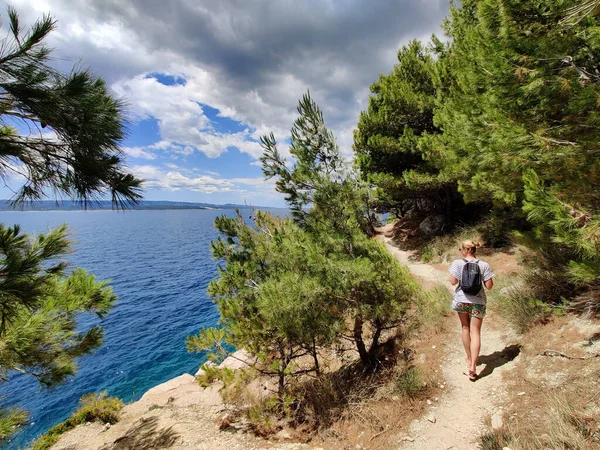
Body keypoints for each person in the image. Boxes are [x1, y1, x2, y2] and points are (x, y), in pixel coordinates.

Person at [448, 240, 494, 381]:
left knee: (465, 328)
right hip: (478, 302)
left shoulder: (457, 263)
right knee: (476, 332)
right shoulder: (484, 265)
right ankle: (473, 366)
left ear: (465, 250)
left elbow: (453, 281)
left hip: (462, 300)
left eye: (461, 249)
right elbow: (489, 286)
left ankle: (468, 358)